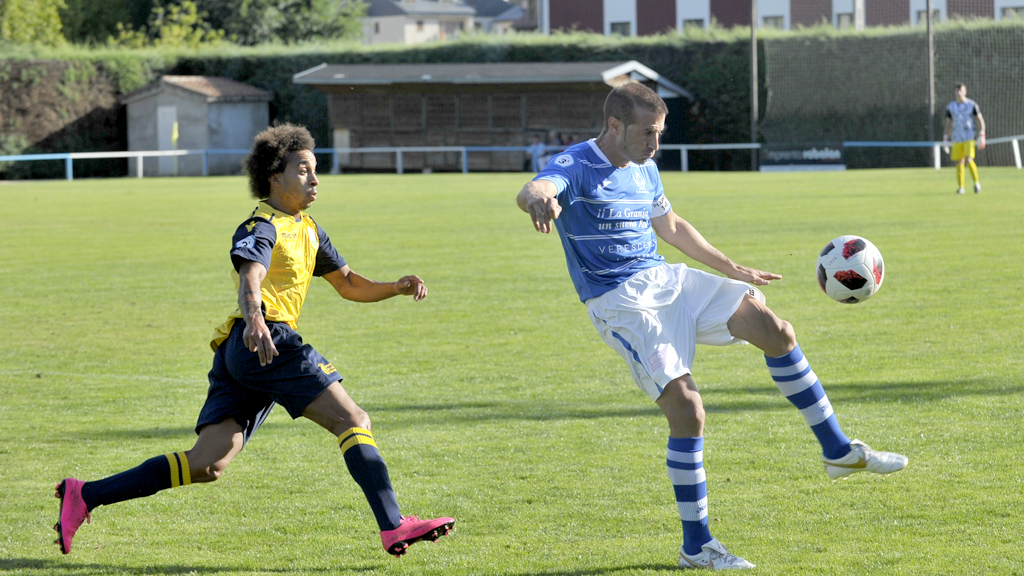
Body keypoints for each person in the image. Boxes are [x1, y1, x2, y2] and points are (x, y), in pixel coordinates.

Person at [515, 82, 908, 570]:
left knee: (775, 330)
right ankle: (697, 546)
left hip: (668, 279)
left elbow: (672, 227)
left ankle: (838, 451)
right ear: (614, 126)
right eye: (647, 133)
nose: (655, 145)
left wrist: (732, 269)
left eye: (660, 133)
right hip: (623, 303)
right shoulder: (578, 164)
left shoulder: (646, 168)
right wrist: (540, 201)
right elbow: (538, 186)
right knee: (688, 410)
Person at [54, 124, 454, 558]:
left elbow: (349, 285)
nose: (315, 179)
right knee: (353, 419)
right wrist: (255, 319)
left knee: (207, 464)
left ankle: (84, 495)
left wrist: (394, 286)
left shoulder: (309, 228)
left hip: (243, 352)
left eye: (315, 170)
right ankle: (394, 525)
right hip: (267, 338)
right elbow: (251, 277)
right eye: (303, 170)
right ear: (274, 177)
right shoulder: (261, 226)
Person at [943, 83, 986, 194]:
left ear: (965, 92)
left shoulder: (971, 105)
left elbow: (980, 119)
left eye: (961, 90)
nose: (959, 93)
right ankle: (961, 187)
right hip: (956, 137)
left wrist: (982, 134)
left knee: (969, 159)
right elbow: (948, 123)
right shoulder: (951, 107)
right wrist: (946, 137)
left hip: (968, 137)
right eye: (957, 90)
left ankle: (976, 183)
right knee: (959, 161)